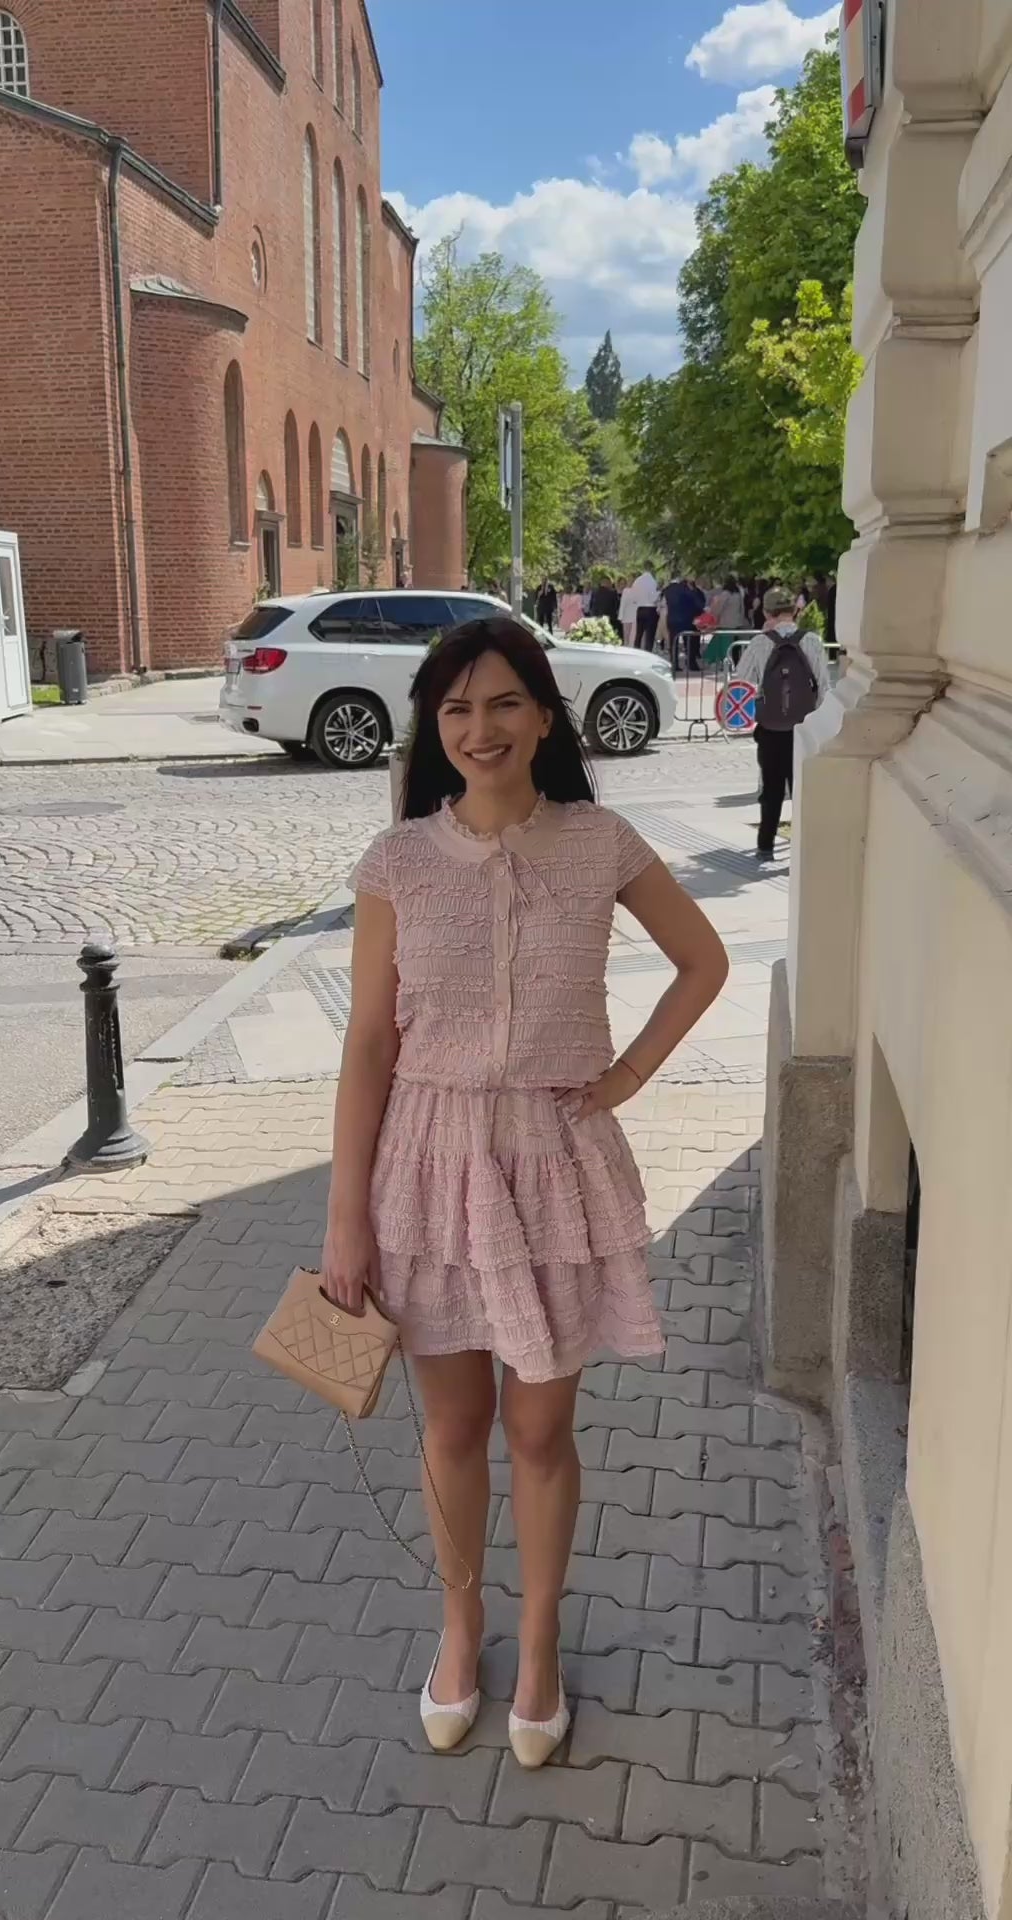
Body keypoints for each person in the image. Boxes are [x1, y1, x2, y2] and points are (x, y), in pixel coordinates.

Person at [324, 617, 728, 1766]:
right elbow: (367, 1045)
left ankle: (540, 1642)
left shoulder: (600, 843)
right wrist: (345, 1217)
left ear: (545, 715)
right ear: (433, 727)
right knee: (453, 1423)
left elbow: (705, 960)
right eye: (455, 709)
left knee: (541, 1429)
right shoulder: (398, 863)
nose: (480, 728)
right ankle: (461, 1630)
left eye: (504, 702)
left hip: (556, 1166)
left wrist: (626, 1077)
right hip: (427, 1171)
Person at [736, 585, 831, 860]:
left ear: (767, 613)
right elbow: (823, 687)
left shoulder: (759, 643)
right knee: (802, 789)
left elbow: (742, 684)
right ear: (795, 611)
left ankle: (765, 845)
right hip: (804, 729)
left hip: (770, 729)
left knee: (772, 789)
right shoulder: (812, 641)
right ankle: (804, 847)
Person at [617, 574, 640, 647]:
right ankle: (626, 647)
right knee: (626, 636)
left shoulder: (638, 591)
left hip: (634, 617)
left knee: (632, 637)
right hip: (627, 617)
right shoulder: (626, 590)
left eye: (632, 580)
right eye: (630, 580)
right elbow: (623, 604)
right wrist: (620, 617)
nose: (631, 582)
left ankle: (631, 648)